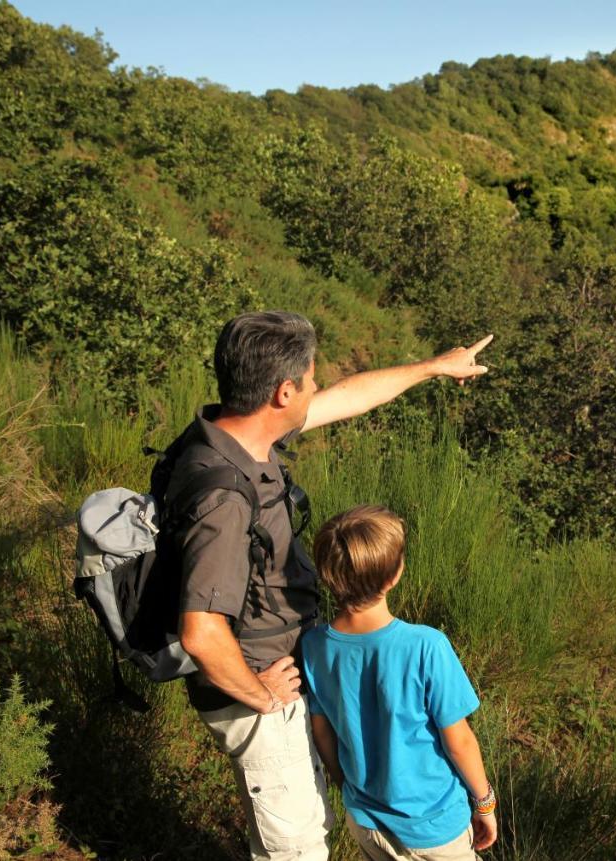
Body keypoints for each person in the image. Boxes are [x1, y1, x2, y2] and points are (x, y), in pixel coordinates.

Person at [173, 311, 492, 861]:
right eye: (311, 379)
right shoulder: (223, 498)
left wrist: (434, 368)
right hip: (258, 694)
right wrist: (261, 694)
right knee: (295, 850)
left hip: (286, 679)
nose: (319, 387)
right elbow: (201, 633)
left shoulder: (237, 432)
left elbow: (349, 397)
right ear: (283, 390)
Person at [303, 505, 497, 861]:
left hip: (366, 822)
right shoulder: (426, 646)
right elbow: (460, 742)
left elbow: (323, 733)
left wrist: (347, 788)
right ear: (394, 576)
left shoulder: (314, 646)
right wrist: (485, 803)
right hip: (437, 826)